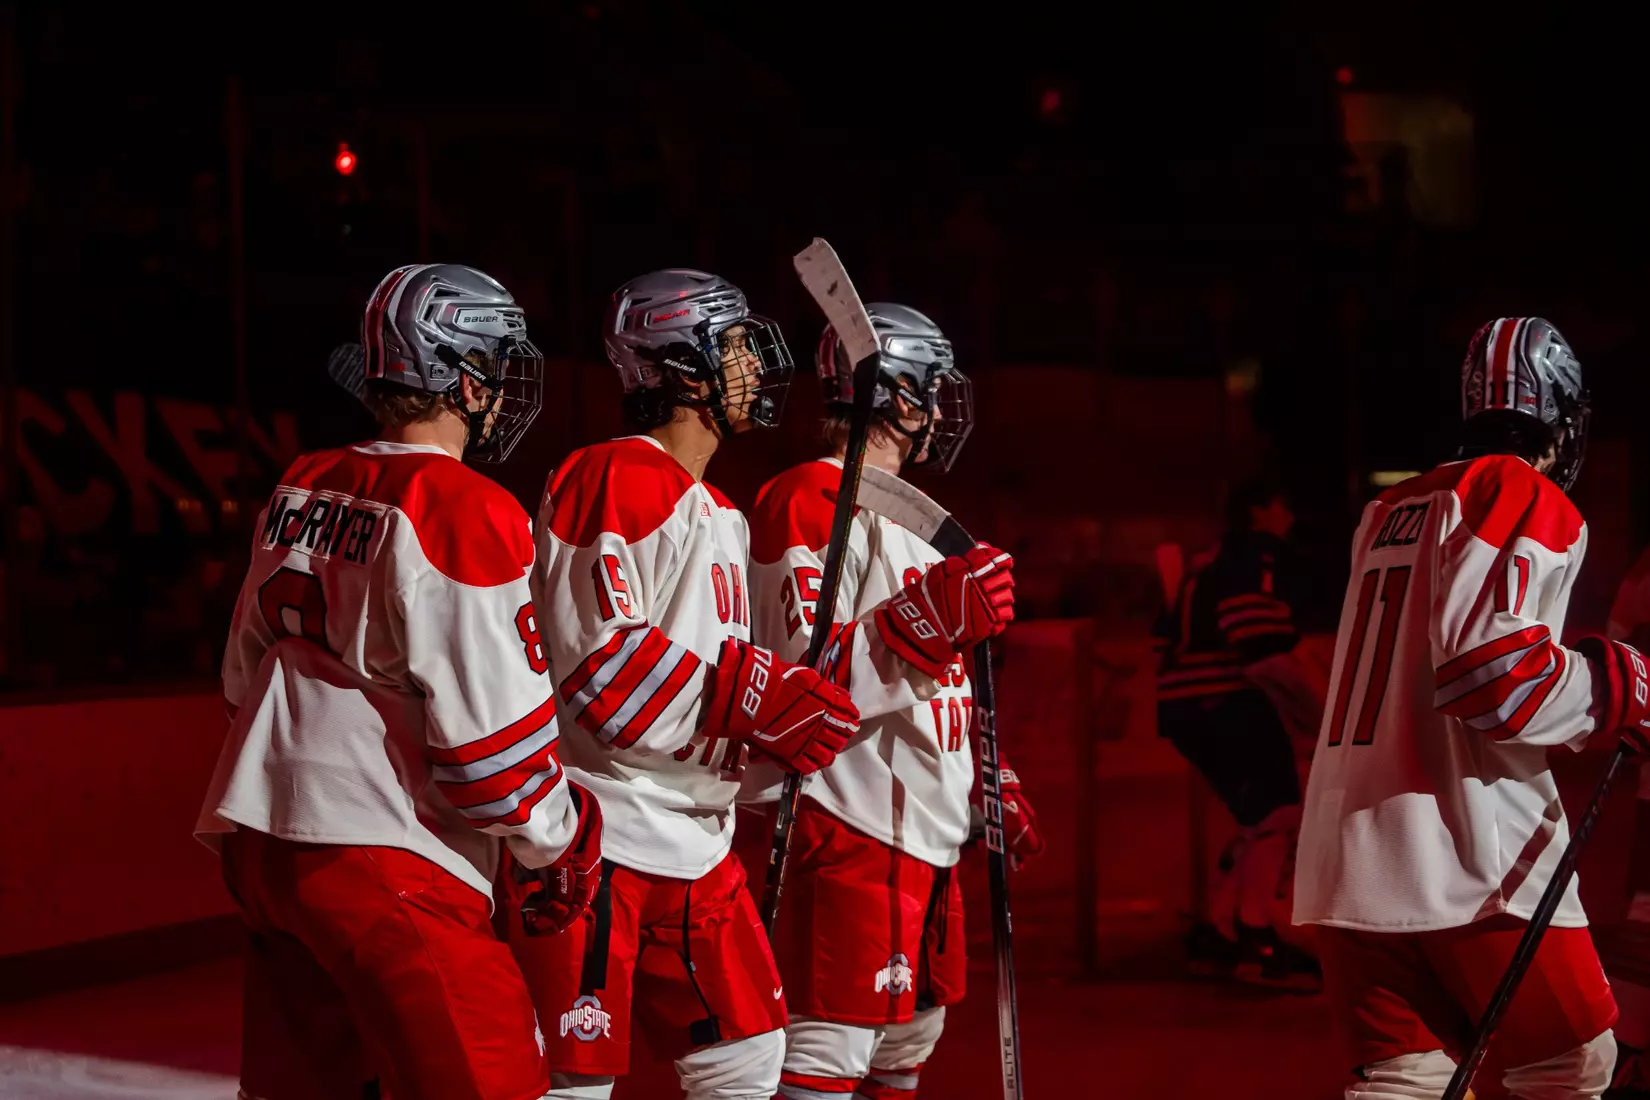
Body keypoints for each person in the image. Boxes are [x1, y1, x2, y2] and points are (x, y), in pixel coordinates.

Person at [197, 263, 602, 1100]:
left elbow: (240, 677)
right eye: (497, 363)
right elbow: (494, 760)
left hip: (260, 838)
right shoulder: (463, 505)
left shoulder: (302, 479)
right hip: (385, 857)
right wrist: (559, 841)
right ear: (463, 376)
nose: (504, 387)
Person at [511, 268, 860, 1100]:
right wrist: (756, 698)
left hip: (698, 841)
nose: (755, 366)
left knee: (748, 1060)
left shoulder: (719, 511)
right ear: (681, 367)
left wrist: (780, 723)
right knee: (572, 1083)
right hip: (600, 837)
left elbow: (720, 688)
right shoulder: (617, 473)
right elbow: (601, 669)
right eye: (736, 348)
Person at [1294, 316, 1642, 1099]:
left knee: (1406, 1081)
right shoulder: (1515, 488)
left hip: (1346, 859)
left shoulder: (1391, 506)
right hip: (1466, 853)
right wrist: (1616, 688)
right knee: (1570, 1065)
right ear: (1558, 412)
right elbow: (1494, 679)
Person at [742, 303, 1032, 1100]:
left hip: (924, 832)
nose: (939, 409)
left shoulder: (914, 524)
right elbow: (801, 684)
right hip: (848, 820)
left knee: (909, 1040)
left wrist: (984, 773)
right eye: (931, 389)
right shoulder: (808, 496)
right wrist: (926, 619)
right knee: (830, 1046)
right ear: (899, 396)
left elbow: (934, 679)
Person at [1153, 474, 1318, 988]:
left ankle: (1221, 932)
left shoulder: (1208, 558)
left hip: (1183, 700)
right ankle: (1255, 936)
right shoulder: (1256, 554)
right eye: (1283, 505)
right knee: (1281, 813)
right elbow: (1258, 639)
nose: (1289, 518)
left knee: (1259, 819)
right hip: (1223, 696)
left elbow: (1165, 634)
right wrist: (1323, 710)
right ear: (1260, 510)